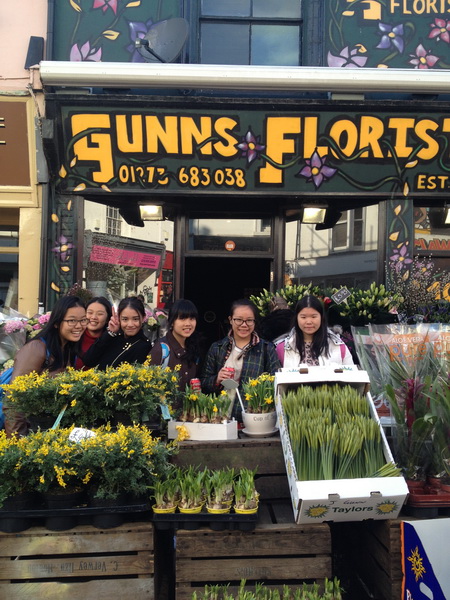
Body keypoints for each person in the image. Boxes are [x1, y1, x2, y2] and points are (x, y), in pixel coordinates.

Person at [3, 295, 87, 437]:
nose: (79, 326)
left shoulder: (68, 350)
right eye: (72, 320)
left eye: (83, 320)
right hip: (28, 433)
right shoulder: (36, 348)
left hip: (47, 433)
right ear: (56, 322)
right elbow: (13, 400)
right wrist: (17, 443)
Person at [202, 298, 280, 420]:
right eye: (238, 320)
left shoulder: (266, 349)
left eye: (249, 320)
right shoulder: (217, 348)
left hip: (254, 418)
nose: (244, 325)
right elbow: (204, 383)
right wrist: (217, 379)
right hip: (219, 419)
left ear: (255, 322)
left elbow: (277, 383)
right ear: (230, 320)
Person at [276, 295, 354, 367]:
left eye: (314, 317)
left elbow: (351, 374)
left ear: (321, 317)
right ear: (296, 318)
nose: (309, 322)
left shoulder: (338, 346)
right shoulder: (283, 348)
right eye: (303, 317)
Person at [149, 299, 201, 408]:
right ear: (172, 321)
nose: (188, 323)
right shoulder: (161, 350)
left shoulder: (193, 348)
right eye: (182, 318)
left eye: (192, 318)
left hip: (186, 415)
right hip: (164, 416)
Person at [82, 296, 151, 370]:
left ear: (143, 318)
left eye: (135, 319)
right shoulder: (113, 338)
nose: (130, 324)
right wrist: (109, 333)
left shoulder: (144, 346)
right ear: (119, 318)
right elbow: (88, 361)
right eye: (125, 319)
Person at [75, 296, 112, 369]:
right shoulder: (74, 337)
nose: (94, 317)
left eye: (100, 314)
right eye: (90, 313)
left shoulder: (112, 340)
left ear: (108, 319)